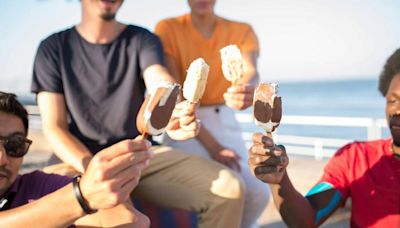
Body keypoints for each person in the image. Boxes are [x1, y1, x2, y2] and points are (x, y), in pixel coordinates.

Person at [31, 0, 245, 227]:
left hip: (140, 153)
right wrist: (96, 171)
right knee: (120, 220)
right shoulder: (52, 48)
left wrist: (174, 106)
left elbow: (158, 78)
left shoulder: (142, 39)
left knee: (229, 188)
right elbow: (54, 127)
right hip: (76, 159)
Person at [248, 49, 400, 227]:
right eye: (392, 100)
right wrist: (280, 182)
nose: (397, 110)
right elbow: (307, 219)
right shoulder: (356, 158)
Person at [155, 0, 269, 227]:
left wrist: (247, 89)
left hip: (225, 117)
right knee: (216, 190)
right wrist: (214, 147)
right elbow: (177, 95)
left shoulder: (241, 30)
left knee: (258, 193)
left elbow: (250, 71)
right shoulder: (167, 28)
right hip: (185, 122)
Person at [0, 91, 151, 227]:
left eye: (15, 144)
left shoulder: (37, 186)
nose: (3, 159)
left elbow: (131, 220)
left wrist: (94, 192)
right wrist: (82, 198)